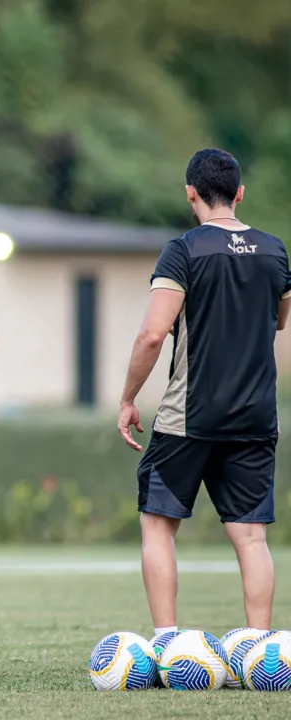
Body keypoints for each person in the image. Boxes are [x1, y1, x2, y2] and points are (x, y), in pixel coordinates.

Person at [117, 148, 290, 637]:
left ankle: (169, 642)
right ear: (239, 194)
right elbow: (279, 320)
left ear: (190, 192)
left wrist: (128, 398)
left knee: (157, 524)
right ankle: (260, 649)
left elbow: (152, 335)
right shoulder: (275, 250)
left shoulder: (184, 249)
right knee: (251, 537)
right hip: (256, 414)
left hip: (189, 415)